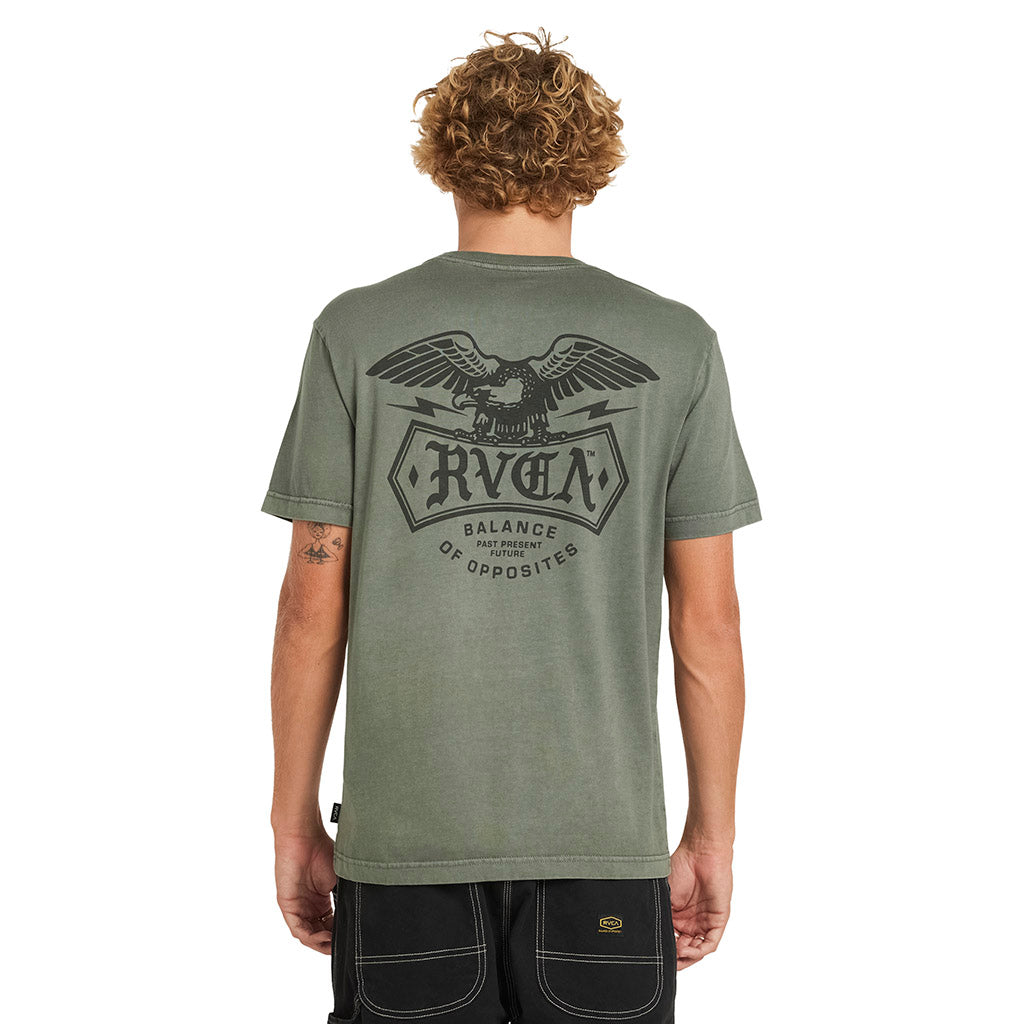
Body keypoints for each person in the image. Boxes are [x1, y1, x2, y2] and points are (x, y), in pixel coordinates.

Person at [263, 29, 760, 1024]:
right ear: (593, 164)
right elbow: (707, 626)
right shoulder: (675, 344)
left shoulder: (355, 331)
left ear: (444, 156)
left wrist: (291, 818)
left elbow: (311, 606)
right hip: (605, 846)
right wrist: (712, 833)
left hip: (403, 847)